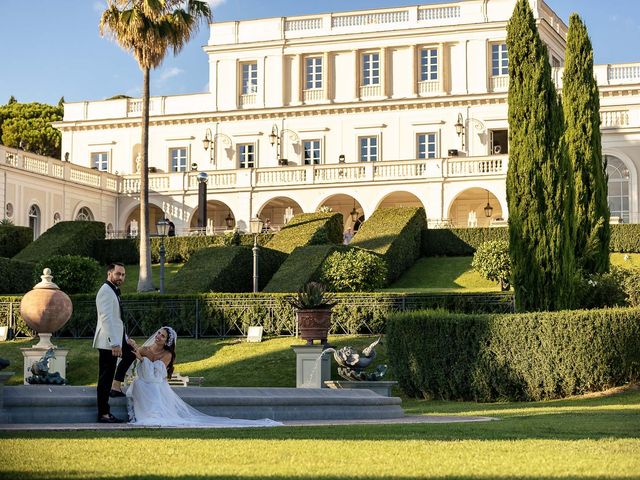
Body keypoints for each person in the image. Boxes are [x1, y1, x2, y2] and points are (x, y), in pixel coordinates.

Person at [126, 326, 282, 428]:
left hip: (156, 386)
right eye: (159, 333)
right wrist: (137, 351)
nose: (158, 336)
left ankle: (156, 414)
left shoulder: (167, 355)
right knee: (144, 386)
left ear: (167, 341)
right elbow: (139, 368)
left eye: (163, 336)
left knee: (154, 389)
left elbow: (156, 377)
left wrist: (143, 360)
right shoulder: (145, 349)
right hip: (143, 384)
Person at [93, 263, 136, 423]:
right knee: (105, 377)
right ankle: (103, 413)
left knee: (131, 353)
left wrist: (125, 339)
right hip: (108, 342)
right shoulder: (105, 291)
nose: (121, 277)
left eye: (123, 275)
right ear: (109, 273)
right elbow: (106, 319)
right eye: (118, 274)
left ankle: (115, 387)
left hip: (117, 339)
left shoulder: (113, 290)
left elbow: (118, 319)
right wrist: (114, 343)